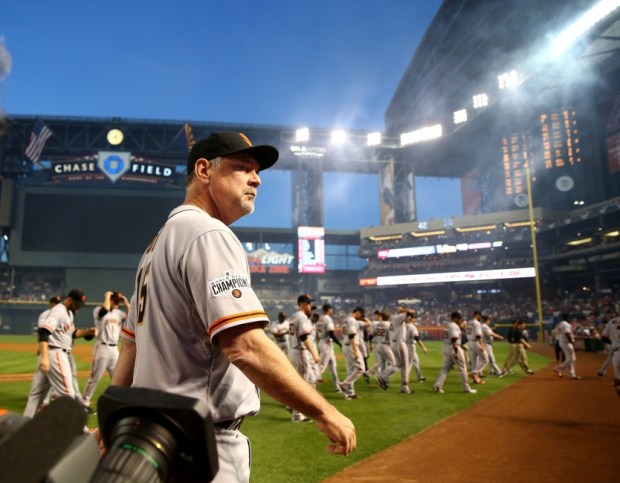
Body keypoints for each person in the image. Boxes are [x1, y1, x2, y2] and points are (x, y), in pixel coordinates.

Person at [108, 132, 355, 481]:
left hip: (153, 442)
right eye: (243, 168)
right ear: (205, 170)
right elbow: (244, 346)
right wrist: (323, 410)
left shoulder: (157, 243)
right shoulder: (207, 233)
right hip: (202, 445)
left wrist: (110, 425)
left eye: (257, 172)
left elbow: (130, 348)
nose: (256, 179)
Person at [23, 289, 93, 417]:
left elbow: (72, 334)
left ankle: (24, 426)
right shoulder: (58, 311)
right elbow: (44, 332)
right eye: (77, 304)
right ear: (70, 300)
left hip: (56, 353)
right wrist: (44, 358)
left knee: (36, 395)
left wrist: (88, 332)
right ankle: (82, 432)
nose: (78, 307)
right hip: (56, 354)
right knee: (68, 395)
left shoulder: (69, 313)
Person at [81, 290, 129, 413]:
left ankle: (120, 401)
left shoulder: (119, 313)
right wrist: (108, 296)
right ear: (110, 300)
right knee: (95, 378)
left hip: (114, 350)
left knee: (118, 376)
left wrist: (125, 302)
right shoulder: (98, 310)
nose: (117, 303)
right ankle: (84, 403)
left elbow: (132, 315)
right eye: (115, 301)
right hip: (102, 348)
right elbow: (104, 311)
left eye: (118, 301)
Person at [433, 311, 477, 394]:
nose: (459, 320)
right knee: (463, 369)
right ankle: (466, 388)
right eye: (459, 319)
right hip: (454, 347)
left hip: (446, 347)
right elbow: (454, 338)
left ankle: (437, 386)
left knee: (445, 369)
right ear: (455, 318)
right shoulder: (454, 326)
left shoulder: (448, 325)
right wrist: (456, 351)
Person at [338, 306, 366, 399]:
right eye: (360, 314)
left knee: (351, 370)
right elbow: (352, 335)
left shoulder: (347, 319)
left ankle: (350, 393)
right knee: (360, 368)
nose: (360, 316)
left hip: (346, 345)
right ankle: (344, 384)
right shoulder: (352, 320)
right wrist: (355, 350)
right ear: (357, 312)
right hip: (351, 346)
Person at [387, 305, 414, 394]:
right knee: (405, 364)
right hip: (399, 342)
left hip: (393, 342)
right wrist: (403, 310)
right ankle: (405, 387)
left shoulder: (392, 317)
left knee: (399, 364)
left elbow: (409, 316)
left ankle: (383, 376)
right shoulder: (399, 316)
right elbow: (412, 312)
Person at [316, 303, 342, 392]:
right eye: (331, 309)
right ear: (328, 310)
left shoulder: (320, 318)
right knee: (322, 365)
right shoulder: (327, 319)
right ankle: (310, 382)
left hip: (322, 342)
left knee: (333, 366)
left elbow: (317, 333)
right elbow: (331, 333)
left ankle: (337, 386)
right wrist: (339, 344)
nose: (332, 311)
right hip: (326, 343)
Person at [554, 314, 580, 379]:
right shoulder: (567, 325)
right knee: (572, 358)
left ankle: (571, 374)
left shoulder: (561, 323)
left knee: (570, 358)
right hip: (567, 342)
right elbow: (567, 333)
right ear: (567, 318)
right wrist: (572, 343)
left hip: (562, 342)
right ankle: (558, 368)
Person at [465, 310, 488, 384]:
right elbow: (478, 335)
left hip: (469, 342)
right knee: (485, 360)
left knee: (474, 362)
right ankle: (474, 373)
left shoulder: (468, 322)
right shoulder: (477, 323)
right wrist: (481, 345)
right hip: (476, 342)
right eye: (479, 316)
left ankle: (476, 379)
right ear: (477, 315)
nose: (480, 317)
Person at [600, 312, 620, 396]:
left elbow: (603, 337)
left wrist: (612, 343)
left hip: (617, 351)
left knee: (618, 377)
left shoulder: (612, 321)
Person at [405, 312, 427, 383]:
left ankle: (420, 377)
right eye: (414, 318)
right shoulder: (412, 327)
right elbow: (417, 338)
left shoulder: (404, 325)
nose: (415, 319)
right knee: (409, 363)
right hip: (410, 345)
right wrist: (423, 347)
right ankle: (406, 378)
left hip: (405, 344)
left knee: (416, 361)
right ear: (411, 318)